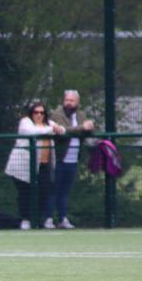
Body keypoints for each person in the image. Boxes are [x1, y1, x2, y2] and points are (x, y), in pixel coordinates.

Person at [5, 102, 64, 230]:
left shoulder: (49, 124)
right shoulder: (25, 122)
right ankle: (25, 220)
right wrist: (52, 129)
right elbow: (33, 132)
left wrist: (58, 129)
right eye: (36, 112)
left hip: (43, 166)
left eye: (42, 113)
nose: (39, 115)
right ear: (31, 113)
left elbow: (61, 129)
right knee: (25, 193)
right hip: (23, 166)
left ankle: (39, 220)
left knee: (44, 192)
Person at [45, 89, 94, 229]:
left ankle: (62, 219)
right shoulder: (57, 114)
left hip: (73, 159)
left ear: (77, 102)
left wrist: (90, 126)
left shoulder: (81, 114)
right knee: (54, 189)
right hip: (59, 158)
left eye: (72, 101)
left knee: (65, 191)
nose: (69, 103)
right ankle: (48, 219)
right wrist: (82, 127)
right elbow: (63, 130)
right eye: (67, 100)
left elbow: (86, 129)